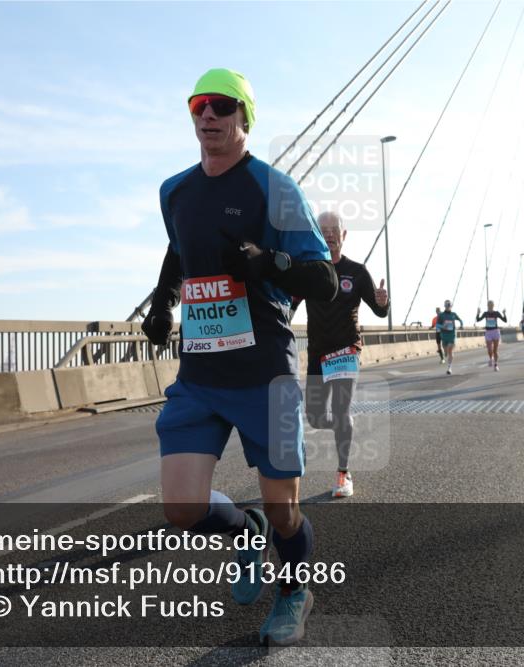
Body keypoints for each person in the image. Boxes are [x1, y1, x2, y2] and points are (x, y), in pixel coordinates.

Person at [140, 68, 337, 646]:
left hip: (263, 373)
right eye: (198, 105)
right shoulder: (174, 191)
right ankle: (245, 531)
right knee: (181, 506)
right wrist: (162, 304)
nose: (208, 116)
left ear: (244, 117)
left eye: (221, 107)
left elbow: (323, 279)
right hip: (200, 373)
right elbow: (179, 250)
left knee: (285, 510)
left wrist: (268, 264)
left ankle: (294, 590)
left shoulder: (274, 189)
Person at [294, 211, 388, 499]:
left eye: (335, 229)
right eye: (323, 229)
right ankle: (343, 426)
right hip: (317, 352)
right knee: (315, 417)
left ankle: (343, 472)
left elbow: (379, 309)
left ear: (344, 235)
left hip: (346, 349)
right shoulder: (309, 271)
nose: (329, 233)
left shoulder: (357, 271)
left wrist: (383, 301)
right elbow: (290, 305)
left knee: (342, 410)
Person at [476, 300, 507, 370]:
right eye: (489, 305)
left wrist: (504, 313)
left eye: (491, 305)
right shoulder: (485, 313)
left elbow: (505, 320)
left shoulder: (496, 313)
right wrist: (478, 313)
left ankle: (496, 365)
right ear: (487, 305)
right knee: (490, 349)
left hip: (495, 332)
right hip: (488, 332)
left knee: (495, 350)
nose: (490, 306)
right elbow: (478, 320)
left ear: (493, 305)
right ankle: (491, 358)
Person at [437, 300, 464, 375]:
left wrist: (462, 325)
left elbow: (460, 320)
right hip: (444, 336)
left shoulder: (453, 314)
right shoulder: (441, 315)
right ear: (444, 306)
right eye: (446, 305)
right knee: (446, 351)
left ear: (451, 306)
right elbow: (437, 325)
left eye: (449, 305)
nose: (448, 307)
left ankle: (449, 367)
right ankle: (445, 352)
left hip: (452, 335)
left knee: (450, 351)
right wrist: (443, 326)